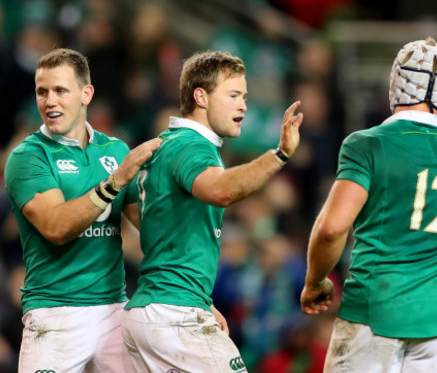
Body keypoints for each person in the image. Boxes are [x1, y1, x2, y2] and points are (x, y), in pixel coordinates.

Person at [300, 38, 437, 372]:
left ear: (396, 81)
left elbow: (331, 229)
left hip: (376, 310)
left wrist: (315, 282)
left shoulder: (367, 145)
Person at [120, 50, 303, 372]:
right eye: (233, 95)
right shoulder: (191, 145)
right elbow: (220, 190)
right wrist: (280, 155)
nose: (243, 105)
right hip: (173, 314)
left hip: (155, 310)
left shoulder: (169, 144)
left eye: (244, 96)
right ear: (201, 96)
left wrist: (202, 300)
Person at [4, 48, 162, 373]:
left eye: (60, 90)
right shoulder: (28, 157)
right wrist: (114, 182)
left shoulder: (116, 150)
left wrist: (195, 300)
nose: (49, 101)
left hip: (113, 312)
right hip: (55, 315)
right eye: (42, 92)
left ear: (86, 93)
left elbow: (153, 235)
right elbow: (57, 227)